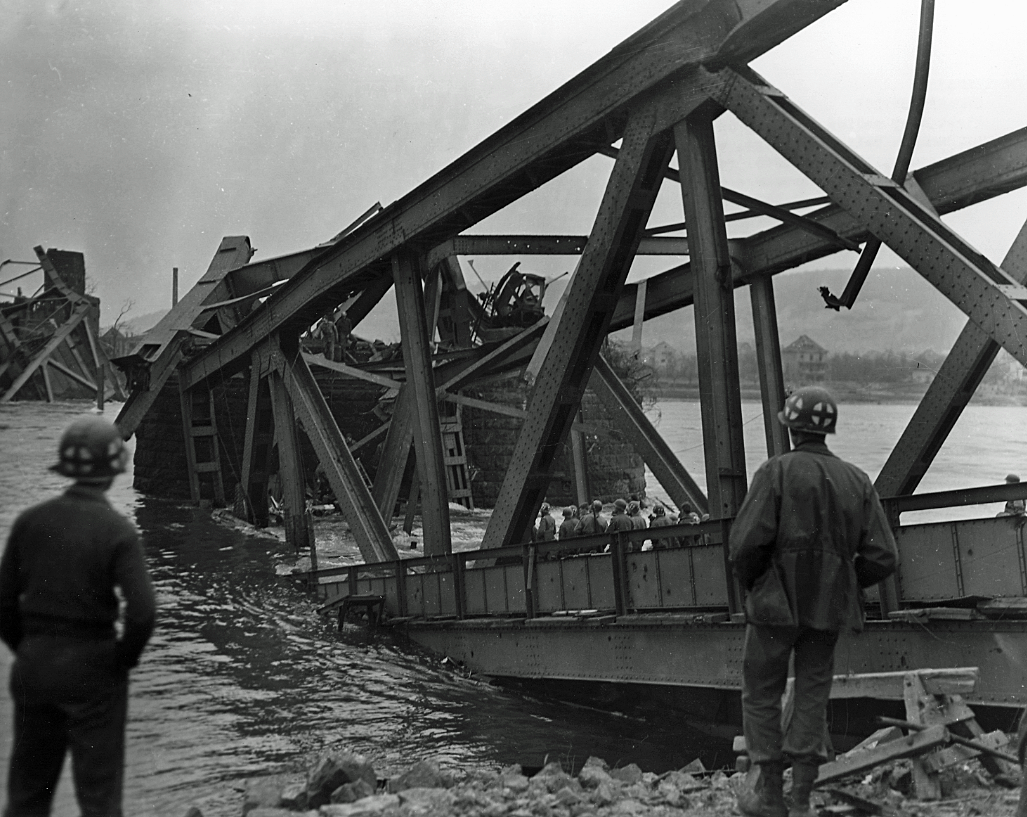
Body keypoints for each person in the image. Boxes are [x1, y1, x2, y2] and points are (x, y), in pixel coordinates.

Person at [729, 386, 897, 817]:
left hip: (774, 606)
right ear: (827, 431)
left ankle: (769, 796)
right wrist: (845, 582)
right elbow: (884, 556)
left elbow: (745, 545)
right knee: (812, 693)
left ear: (791, 428)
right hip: (827, 608)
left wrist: (756, 584)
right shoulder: (857, 480)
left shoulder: (775, 472)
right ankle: (801, 798)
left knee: (761, 692)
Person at [0, 415, 157, 817]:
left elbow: (3, 604)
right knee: (99, 798)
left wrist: (30, 647)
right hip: (94, 668)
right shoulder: (118, 531)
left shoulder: (30, 522)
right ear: (113, 469)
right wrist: (120, 661)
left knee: (28, 795)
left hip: (35, 665)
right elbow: (142, 612)